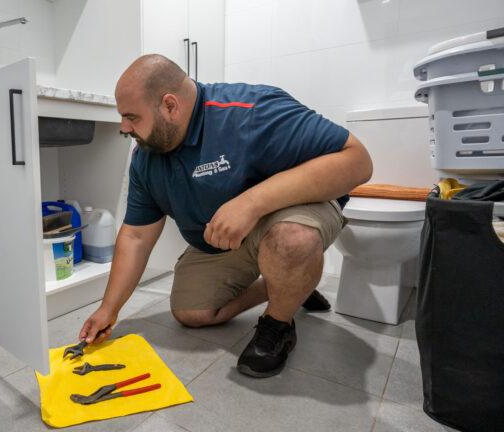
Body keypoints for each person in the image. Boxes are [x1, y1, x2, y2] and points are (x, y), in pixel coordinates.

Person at [78, 54, 372, 377]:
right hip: (225, 241)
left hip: (291, 216)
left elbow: (358, 161)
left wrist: (251, 203)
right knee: (191, 311)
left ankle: (278, 324)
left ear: (170, 106)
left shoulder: (252, 112)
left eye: (131, 117)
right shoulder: (146, 159)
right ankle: (290, 286)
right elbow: (135, 237)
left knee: (292, 241)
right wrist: (109, 309)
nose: (123, 127)